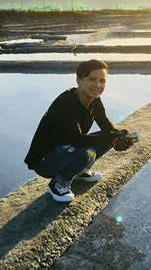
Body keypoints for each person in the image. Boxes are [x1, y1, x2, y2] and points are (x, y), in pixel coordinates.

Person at [24, 59, 129, 202]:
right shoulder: (65, 103)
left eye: (102, 81)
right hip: (44, 161)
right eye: (92, 79)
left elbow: (106, 127)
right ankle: (59, 183)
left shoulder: (94, 99)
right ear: (79, 80)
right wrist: (111, 137)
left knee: (110, 136)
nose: (98, 85)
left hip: (67, 149)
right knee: (87, 152)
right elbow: (77, 140)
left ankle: (80, 171)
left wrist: (120, 137)